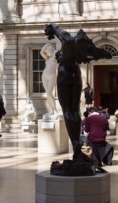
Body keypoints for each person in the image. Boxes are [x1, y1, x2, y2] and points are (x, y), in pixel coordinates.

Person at [44, 23, 113, 159]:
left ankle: (75, 143)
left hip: (64, 72)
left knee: (67, 110)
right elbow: (104, 54)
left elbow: (53, 27)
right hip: (75, 73)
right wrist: (103, 53)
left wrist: (49, 31)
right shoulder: (85, 48)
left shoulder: (67, 38)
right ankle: (76, 144)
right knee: (75, 110)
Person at [40, 41, 58, 117]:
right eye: (46, 52)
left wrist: (54, 50)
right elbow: (41, 52)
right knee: (47, 93)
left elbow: (58, 52)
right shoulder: (47, 58)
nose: (46, 53)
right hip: (44, 76)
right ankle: (51, 110)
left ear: (51, 51)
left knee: (49, 93)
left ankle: (55, 110)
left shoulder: (55, 56)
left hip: (52, 77)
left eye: (48, 52)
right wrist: (46, 44)